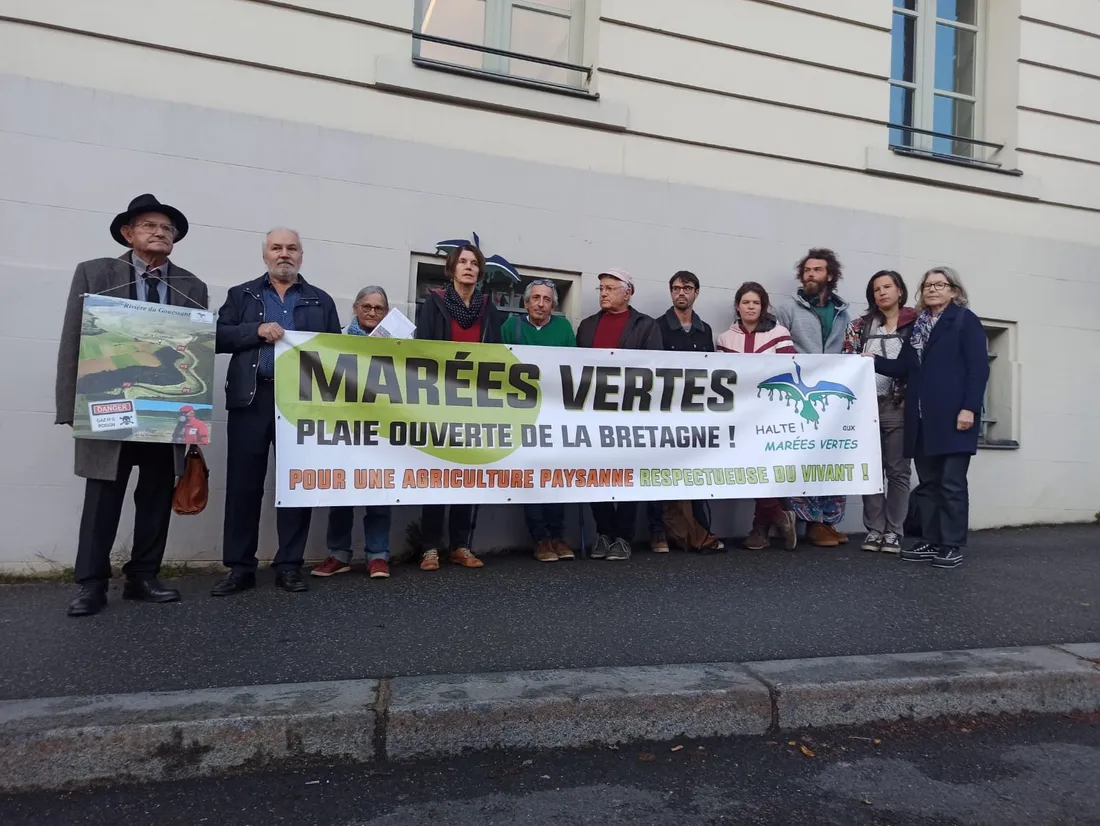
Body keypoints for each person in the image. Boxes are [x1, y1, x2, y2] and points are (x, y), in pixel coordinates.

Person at [56, 194, 209, 617]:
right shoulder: (95, 273)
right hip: (107, 403)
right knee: (103, 495)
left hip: (164, 410)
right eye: (150, 226)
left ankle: (143, 575)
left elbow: (195, 354)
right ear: (128, 233)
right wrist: (70, 406)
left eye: (167, 229)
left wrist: (194, 417)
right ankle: (91, 584)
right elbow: (74, 339)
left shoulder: (192, 286)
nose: (160, 234)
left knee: (157, 495)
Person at [212, 228, 341, 596]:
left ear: (301, 255)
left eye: (292, 248)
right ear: (265, 254)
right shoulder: (242, 295)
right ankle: (240, 567)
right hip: (251, 400)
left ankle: (289, 565)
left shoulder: (321, 301)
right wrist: (256, 330)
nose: (284, 254)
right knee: (243, 486)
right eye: (276, 248)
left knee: (296, 485)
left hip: (302, 406)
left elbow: (336, 354)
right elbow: (218, 336)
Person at [871, 267, 989, 569]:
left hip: (954, 417)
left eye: (940, 284)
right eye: (928, 285)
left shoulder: (965, 320)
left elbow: (979, 369)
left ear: (954, 290)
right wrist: (871, 361)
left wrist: (969, 409)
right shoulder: (919, 327)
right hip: (922, 420)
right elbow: (903, 368)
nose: (933, 289)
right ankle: (932, 539)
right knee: (929, 484)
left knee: (951, 483)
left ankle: (951, 544)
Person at [414, 244, 505, 571]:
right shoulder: (435, 304)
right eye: (463, 262)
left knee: (468, 474)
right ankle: (430, 548)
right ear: (452, 269)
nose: (469, 267)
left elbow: (496, 353)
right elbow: (423, 347)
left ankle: (461, 544)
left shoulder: (487, 307)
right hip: (440, 402)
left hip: (475, 404)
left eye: (474, 263)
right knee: (438, 472)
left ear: (479, 272)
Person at [575, 269, 663, 561]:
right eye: (601, 288)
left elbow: (655, 370)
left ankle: (623, 537)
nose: (603, 293)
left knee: (627, 476)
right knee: (594, 474)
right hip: (594, 414)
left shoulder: (646, 326)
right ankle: (604, 533)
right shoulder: (587, 327)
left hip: (630, 415)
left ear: (628, 292)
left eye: (611, 288)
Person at [312, 287, 395, 580]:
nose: (372, 312)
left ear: (386, 313)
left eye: (379, 308)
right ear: (356, 308)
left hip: (381, 428)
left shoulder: (399, 343)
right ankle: (338, 554)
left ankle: (378, 556)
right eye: (367, 306)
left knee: (380, 493)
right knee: (341, 492)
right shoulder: (336, 340)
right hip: (344, 426)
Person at [774, 248, 853, 547]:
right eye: (807, 270)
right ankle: (809, 521)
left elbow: (851, 351)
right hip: (799, 398)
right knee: (802, 456)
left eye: (817, 270)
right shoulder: (786, 311)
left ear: (829, 275)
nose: (810, 274)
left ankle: (827, 521)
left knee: (833, 455)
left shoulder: (843, 313)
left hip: (832, 398)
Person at [716, 281, 798, 551]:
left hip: (771, 413)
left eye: (756, 303)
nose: (750, 307)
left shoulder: (780, 333)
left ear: (763, 307)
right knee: (748, 469)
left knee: (766, 468)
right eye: (746, 302)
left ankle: (760, 529)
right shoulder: (725, 339)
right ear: (737, 306)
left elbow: (789, 371)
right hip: (738, 416)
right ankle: (778, 516)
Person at [501, 279, 578, 562]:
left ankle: (558, 535)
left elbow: (574, 367)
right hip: (523, 415)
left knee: (555, 477)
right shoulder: (511, 327)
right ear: (526, 302)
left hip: (556, 414)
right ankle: (540, 538)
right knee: (532, 477)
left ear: (554, 305)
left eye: (547, 299)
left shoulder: (564, 329)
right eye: (536, 298)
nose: (541, 304)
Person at [842, 271, 917, 554]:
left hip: (899, 404)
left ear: (900, 290)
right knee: (870, 469)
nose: (882, 292)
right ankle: (874, 529)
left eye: (887, 287)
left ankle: (894, 531)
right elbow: (847, 359)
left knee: (898, 471)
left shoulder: (915, 324)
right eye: (876, 289)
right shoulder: (860, 326)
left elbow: (917, 364)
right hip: (867, 405)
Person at [654, 270, 723, 554]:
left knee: (694, 472)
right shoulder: (656, 326)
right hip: (664, 413)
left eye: (687, 288)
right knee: (660, 472)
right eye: (676, 288)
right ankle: (660, 531)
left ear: (696, 293)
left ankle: (698, 530)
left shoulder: (705, 330)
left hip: (695, 414)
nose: (681, 293)